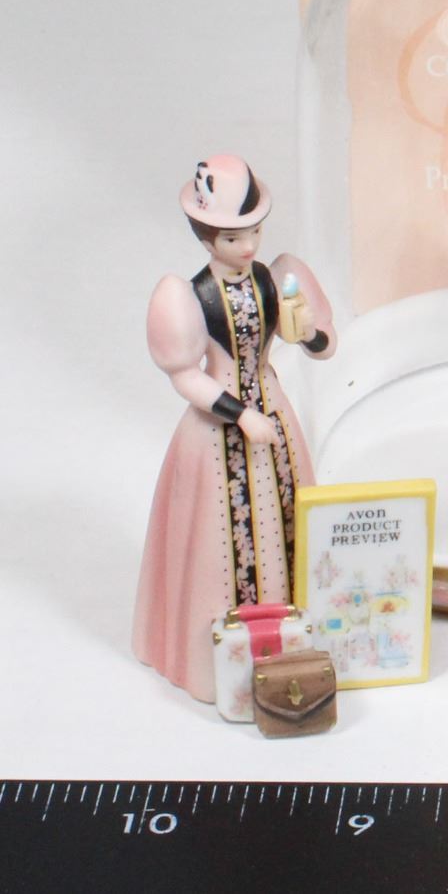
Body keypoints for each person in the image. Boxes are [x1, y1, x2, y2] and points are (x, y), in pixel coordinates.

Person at [132, 154, 336, 702]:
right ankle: (222, 661)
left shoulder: (276, 279)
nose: (246, 247)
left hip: (274, 414)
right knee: (219, 539)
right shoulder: (188, 296)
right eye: (231, 237)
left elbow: (323, 345)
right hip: (218, 432)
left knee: (287, 516)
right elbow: (184, 375)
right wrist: (240, 413)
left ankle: (296, 643)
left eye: (253, 233)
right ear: (205, 237)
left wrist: (308, 332)